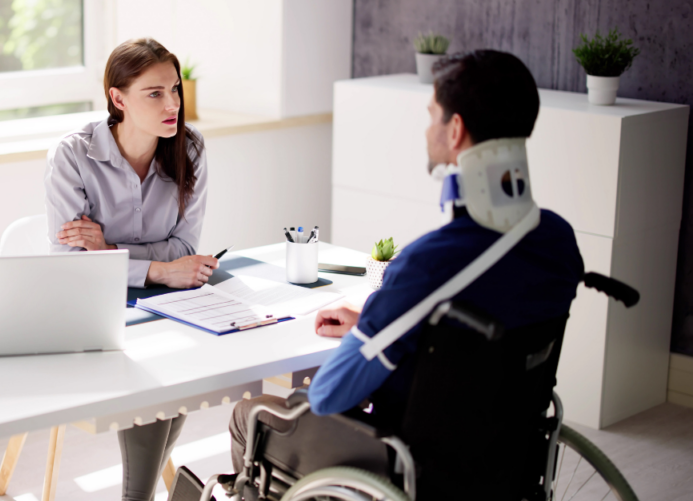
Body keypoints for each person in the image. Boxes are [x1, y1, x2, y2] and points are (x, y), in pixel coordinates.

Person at [227, 50, 585, 476]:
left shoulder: (429, 264)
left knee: (248, 415)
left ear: (455, 130)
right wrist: (380, 315)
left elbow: (327, 396)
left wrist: (374, 324)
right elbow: (486, 309)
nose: (426, 129)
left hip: (409, 463)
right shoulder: (558, 241)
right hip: (505, 456)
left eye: (431, 115)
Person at [43, 38, 217, 501]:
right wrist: (158, 271)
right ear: (118, 100)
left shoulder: (190, 149)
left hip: (165, 301)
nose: (173, 104)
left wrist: (110, 248)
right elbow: (75, 266)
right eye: (154, 93)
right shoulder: (73, 155)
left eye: (175, 90)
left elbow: (185, 245)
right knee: (159, 368)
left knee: (185, 362)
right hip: (87, 307)